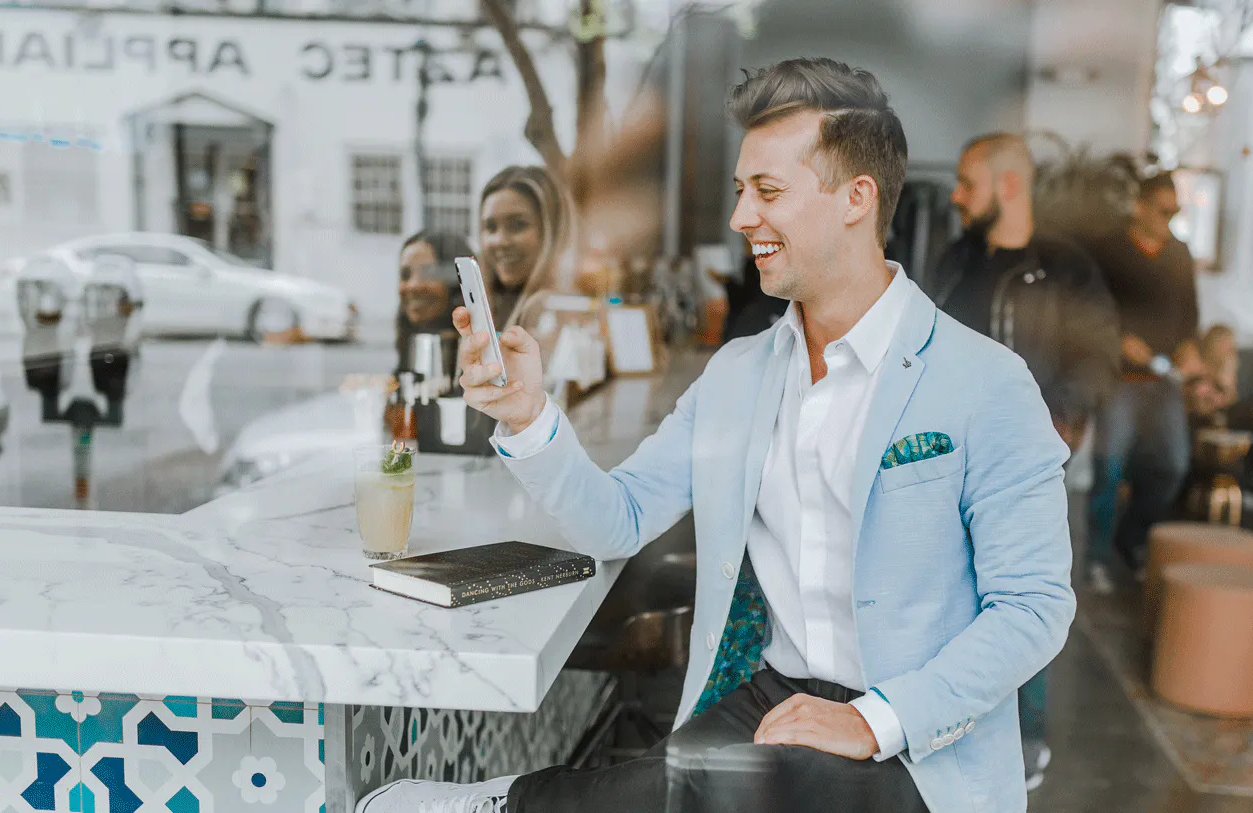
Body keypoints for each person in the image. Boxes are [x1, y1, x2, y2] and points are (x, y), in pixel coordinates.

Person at [359, 58, 1075, 813]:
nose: (741, 218)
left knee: (733, 783)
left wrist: (874, 718)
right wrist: (528, 416)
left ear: (855, 200)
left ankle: (506, 806)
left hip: (919, 736)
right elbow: (620, 519)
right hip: (770, 695)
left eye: (768, 192)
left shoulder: (986, 382)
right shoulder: (738, 374)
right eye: (741, 192)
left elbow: (1033, 608)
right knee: (707, 778)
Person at [928, 132, 1118, 792]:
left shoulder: (1067, 269)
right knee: (949, 601)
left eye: (966, 182)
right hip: (945, 464)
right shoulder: (954, 261)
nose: (956, 195)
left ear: (1007, 186)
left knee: (1023, 604)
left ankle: (1025, 738)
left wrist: (1057, 425)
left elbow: (1096, 358)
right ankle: (946, 721)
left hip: (1027, 470)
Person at [1084, 170, 1199, 592]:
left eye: (1175, 211)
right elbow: (1089, 312)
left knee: (1171, 465)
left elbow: (1190, 315)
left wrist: (1190, 349)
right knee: (1109, 468)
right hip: (1120, 381)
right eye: (1163, 210)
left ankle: (1129, 541)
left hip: (1165, 380)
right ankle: (1095, 558)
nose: (1168, 218)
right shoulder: (1108, 252)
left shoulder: (1179, 255)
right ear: (1140, 206)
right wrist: (1118, 340)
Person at [477, 165, 575, 331]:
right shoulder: (490, 308)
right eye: (491, 227)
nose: (500, 241)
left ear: (552, 231)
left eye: (517, 225)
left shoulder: (558, 312)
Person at [395, 231, 474, 375]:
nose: (413, 286)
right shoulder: (411, 343)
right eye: (405, 275)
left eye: (429, 273)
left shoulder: (482, 360)